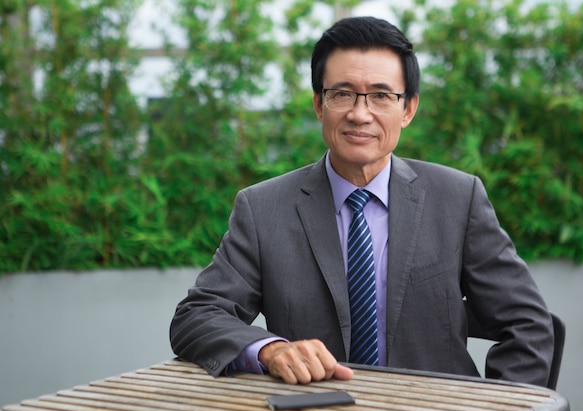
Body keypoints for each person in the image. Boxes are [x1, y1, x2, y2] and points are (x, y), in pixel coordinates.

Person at [170, 16, 555, 387]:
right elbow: (197, 315)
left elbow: (527, 324)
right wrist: (269, 349)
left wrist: (500, 407)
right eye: (342, 94)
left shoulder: (458, 198)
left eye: (381, 96)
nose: (360, 114)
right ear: (319, 105)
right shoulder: (263, 208)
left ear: (408, 109)